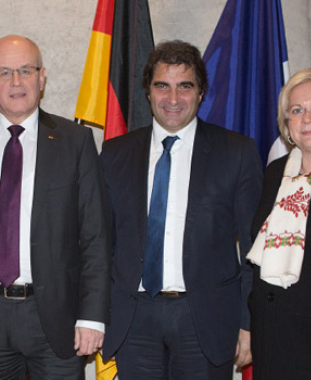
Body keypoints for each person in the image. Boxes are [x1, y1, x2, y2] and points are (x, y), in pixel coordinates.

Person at [0, 35, 110, 379]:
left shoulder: (75, 141)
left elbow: (95, 234)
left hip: (57, 319)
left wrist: (92, 316)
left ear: (42, 77)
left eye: (26, 70)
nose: (16, 82)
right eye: (4, 72)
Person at [100, 40, 262, 379]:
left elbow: (253, 250)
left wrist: (248, 323)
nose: (173, 100)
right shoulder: (115, 154)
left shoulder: (237, 153)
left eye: (184, 87)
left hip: (204, 321)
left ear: (201, 92)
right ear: (148, 92)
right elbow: (101, 244)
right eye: (163, 86)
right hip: (135, 320)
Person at [248, 68, 311, 380]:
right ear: (287, 124)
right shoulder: (274, 174)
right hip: (272, 335)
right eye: (297, 111)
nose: (306, 119)